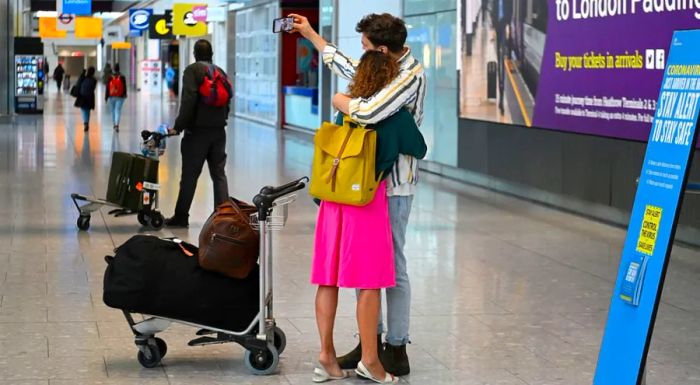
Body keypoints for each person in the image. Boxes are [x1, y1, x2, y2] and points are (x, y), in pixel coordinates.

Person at [291, 12, 426, 378]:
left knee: (391, 266)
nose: (361, 55)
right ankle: (371, 345)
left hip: (392, 186)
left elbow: (368, 111)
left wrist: (338, 100)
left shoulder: (409, 76)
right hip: (360, 186)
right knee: (363, 267)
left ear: (382, 50)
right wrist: (311, 35)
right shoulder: (379, 66)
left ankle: (395, 345)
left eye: (366, 47)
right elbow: (348, 66)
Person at [165, 39, 231, 228]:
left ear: (195, 53)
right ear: (211, 53)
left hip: (197, 133)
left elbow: (189, 100)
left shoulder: (192, 71)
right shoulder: (220, 71)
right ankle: (223, 217)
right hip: (219, 132)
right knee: (219, 174)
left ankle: (181, 216)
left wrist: (178, 126)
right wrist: (221, 120)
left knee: (190, 175)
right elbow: (228, 101)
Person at [492, 0, 513, 115]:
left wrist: (509, 25)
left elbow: (510, 10)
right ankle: (500, 90)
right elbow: (493, 11)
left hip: (504, 27)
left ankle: (501, 97)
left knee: (502, 61)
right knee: (498, 59)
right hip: (497, 28)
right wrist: (493, 29)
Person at [105, 63, 127, 132]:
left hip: (111, 96)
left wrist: (106, 96)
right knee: (118, 111)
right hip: (120, 96)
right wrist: (125, 94)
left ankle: (114, 124)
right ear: (119, 68)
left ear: (113, 69)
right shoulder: (122, 77)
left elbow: (107, 88)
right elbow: (124, 87)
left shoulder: (110, 77)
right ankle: (117, 125)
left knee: (113, 111)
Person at [74, 67, 97, 132]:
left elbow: (78, 82)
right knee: (87, 110)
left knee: (83, 109)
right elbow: (93, 88)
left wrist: (83, 72)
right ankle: (86, 122)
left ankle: (85, 123)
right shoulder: (94, 80)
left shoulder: (83, 78)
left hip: (82, 96)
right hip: (90, 96)